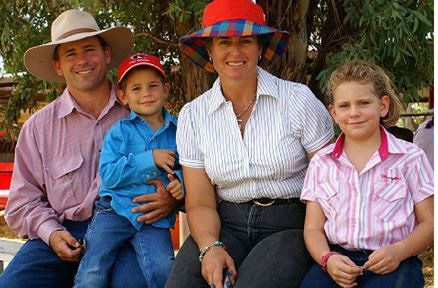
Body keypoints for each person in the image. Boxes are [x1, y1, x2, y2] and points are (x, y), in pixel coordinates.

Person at [0, 9, 177, 288]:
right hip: (64, 229)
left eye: (89, 49)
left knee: (133, 283)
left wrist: (172, 199)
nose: (82, 60)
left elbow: (183, 168)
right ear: (58, 66)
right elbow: (22, 203)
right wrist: (51, 233)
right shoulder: (38, 128)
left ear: (106, 55)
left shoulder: (144, 111)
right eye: (70, 53)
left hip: (130, 222)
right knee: (13, 284)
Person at [165, 0, 335, 287]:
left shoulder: (297, 100)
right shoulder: (193, 115)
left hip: (290, 223)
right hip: (225, 222)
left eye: (245, 41)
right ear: (210, 50)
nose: (235, 51)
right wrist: (210, 247)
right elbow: (201, 201)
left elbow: (331, 181)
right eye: (224, 42)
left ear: (259, 47)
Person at [299, 59, 434, 288]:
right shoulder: (322, 162)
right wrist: (327, 259)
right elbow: (312, 228)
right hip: (337, 260)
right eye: (344, 106)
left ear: (382, 106)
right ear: (333, 112)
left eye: (363, 103)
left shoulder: (410, 158)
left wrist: (399, 251)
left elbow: (429, 222)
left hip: (394, 260)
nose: (354, 113)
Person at [74, 53, 182, 288]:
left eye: (153, 86)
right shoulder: (119, 132)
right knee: (94, 266)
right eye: (136, 88)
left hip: (156, 218)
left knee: (163, 267)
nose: (146, 93)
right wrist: (149, 159)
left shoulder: (179, 132)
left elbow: (188, 168)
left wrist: (179, 184)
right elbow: (109, 175)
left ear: (166, 89)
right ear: (123, 96)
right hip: (115, 210)